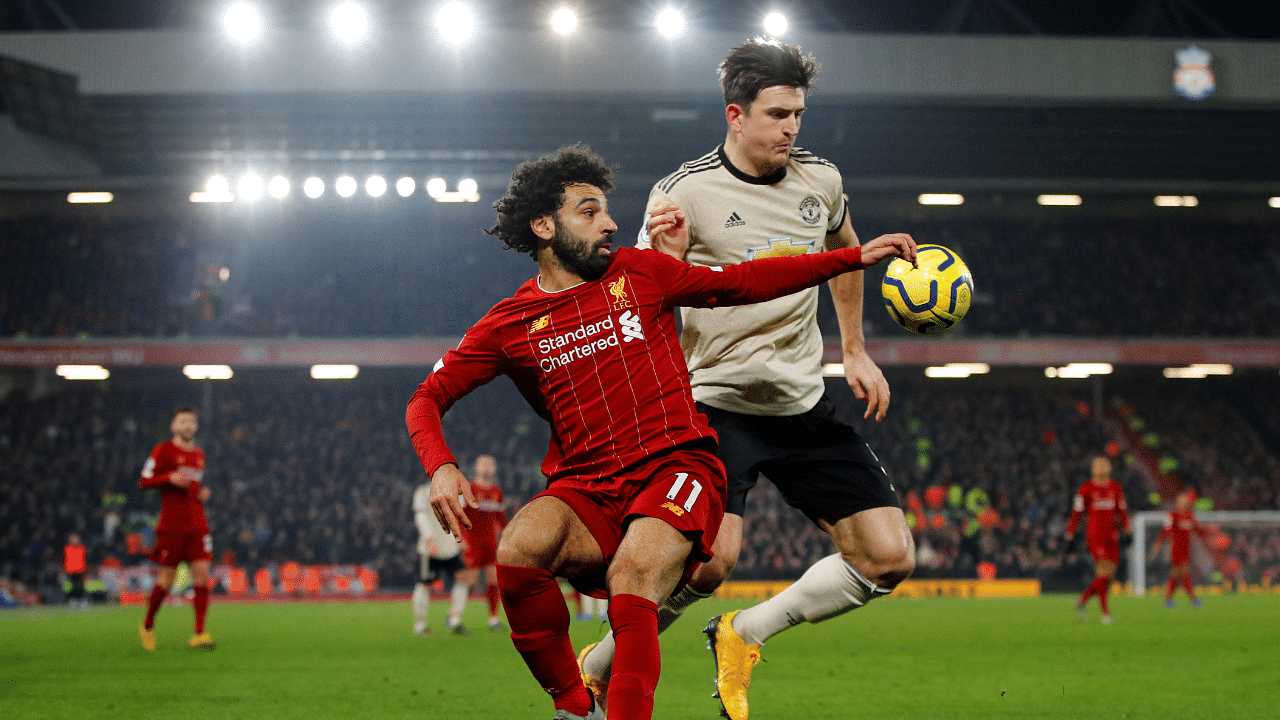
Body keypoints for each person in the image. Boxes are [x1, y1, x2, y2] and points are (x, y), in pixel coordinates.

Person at [406, 145, 915, 720]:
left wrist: (846, 259)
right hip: (588, 484)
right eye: (589, 211)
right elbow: (426, 399)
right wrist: (442, 466)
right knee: (519, 549)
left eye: (607, 211)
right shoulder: (510, 323)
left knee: (636, 575)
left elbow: (746, 281)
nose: (611, 223)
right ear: (544, 226)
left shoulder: (639, 272)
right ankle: (576, 704)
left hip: (676, 466)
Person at [577, 39, 918, 720]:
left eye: (798, 114)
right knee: (710, 562)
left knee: (888, 558)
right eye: (778, 114)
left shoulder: (820, 180)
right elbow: (633, 301)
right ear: (736, 115)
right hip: (716, 405)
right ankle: (599, 663)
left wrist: (853, 348)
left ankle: (744, 634)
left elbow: (844, 255)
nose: (792, 127)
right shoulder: (683, 192)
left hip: (801, 404)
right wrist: (667, 259)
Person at [138, 405, 215, 650]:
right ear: (174, 426)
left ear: (196, 426)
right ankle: (148, 624)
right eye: (182, 421)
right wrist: (167, 478)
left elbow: (191, 487)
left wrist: (200, 493)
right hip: (171, 525)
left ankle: (199, 633)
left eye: (191, 421)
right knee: (167, 581)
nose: (187, 426)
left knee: (202, 576)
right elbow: (144, 481)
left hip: (197, 524)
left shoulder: (199, 455)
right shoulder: (163, 450)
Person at [1066, 455, 1131, 624]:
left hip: (1113, 536)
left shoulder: (1115, 488)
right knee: (1102, 572)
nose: (1101, 468)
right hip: (1095, 536)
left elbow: (1122, 512)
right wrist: (1070, 535)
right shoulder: (1085, 489)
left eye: (1104, 465)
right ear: (1093, 469)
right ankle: (1105, 614)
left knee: (1108, 577)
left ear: (1109, 469)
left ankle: (1082, 601)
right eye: (1098, 465)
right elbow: (1076, 514)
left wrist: (1128, 530)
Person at [453, 454, 510, 633]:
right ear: (477, 468)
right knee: (470, 580)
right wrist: (460, 538)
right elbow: (459, 514)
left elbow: (501, 518)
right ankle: (454, 617)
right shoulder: (469, 487)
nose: (486, 468)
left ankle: (493, 619)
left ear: (494, 469)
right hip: (472, 542)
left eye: (489, 465)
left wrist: (508, 534)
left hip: (491, 543)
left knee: (493, 579)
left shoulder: (496, 491)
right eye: (483, 464)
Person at [412, 477, 466, 637]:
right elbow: (420, 516)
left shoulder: (457, 492)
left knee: (462, 578)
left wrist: (462, 537)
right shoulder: (422, 492)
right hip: (429, 549)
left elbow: (461, 514)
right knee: (424, 583)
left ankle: (454, 619)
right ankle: (420, 625)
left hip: (450, 547)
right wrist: (429, 538)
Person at [1149, 487, 1209, 608]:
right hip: (1176, 550)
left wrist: (1209, 538)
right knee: (1185, 573)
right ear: (1177, 502)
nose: (1183, 503)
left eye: (1185, 501)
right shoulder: (1173, 515)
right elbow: (1164, 532)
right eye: (1181, 501)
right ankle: (1193, 599)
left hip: (1186, 550)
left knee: (1175, 575)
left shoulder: (1190, 516)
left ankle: (1168, 600)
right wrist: (1157, 547)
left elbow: (1199, 531)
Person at [63, 533, 88, 609]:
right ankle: (73, 601)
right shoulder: (68, 548)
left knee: (80, 586)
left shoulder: (81, 548)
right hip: (71, 571)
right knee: (72, 587)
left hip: (80, 570)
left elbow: (84, 559)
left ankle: (81, 600)